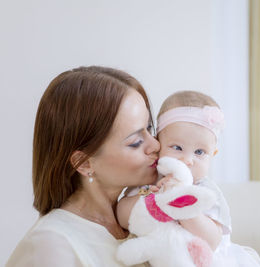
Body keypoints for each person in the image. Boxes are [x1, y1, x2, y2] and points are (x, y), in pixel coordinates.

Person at [6, 66, 159, 267]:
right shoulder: (53, 246)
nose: (156, 145)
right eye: (136, 142)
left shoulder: (140, 222)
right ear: (84, 163)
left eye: (149, 128)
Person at [118, 91, 260, 266]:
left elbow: (212, 240)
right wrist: (151, 198)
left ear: (213, 154)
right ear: (159, 144)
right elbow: (122, 215)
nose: (187, 160)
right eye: (177, 147)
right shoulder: (148, 183)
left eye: (199, 152)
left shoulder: (206, 192)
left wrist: (181, 203)